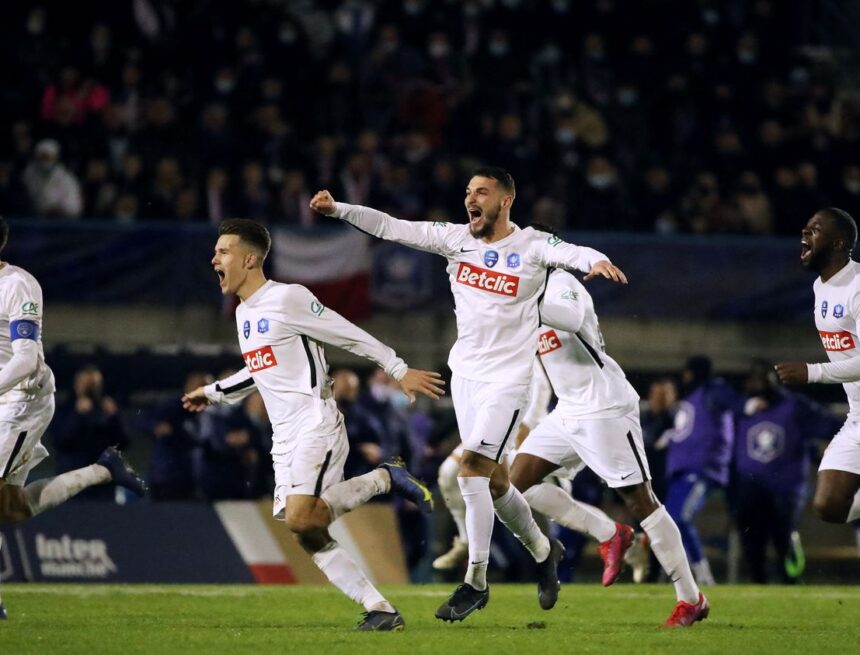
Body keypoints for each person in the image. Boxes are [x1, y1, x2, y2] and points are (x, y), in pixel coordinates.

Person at [310, 166, 627, 621]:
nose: (470, 199)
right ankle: (543, 552)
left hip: (510, 381)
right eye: (467, 192)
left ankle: (475, 581)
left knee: (470, 471)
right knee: (496, 482)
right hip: (467, 377)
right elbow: (392, 227)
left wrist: (594, 261)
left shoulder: (533, 244)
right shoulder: (453, 238)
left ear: (505, 200)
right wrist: (338, 208)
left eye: (481, 191)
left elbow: (572, 250)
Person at [181, 219, 444, 632]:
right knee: (303, 528)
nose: (214, 258)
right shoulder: (245, 313)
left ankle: (382, 480)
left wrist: (398, 367)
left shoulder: (288, 298)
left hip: (313, 422)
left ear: (250, 259)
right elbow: (258, 370)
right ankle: (380, 608)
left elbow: (346, 333)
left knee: (304, 518)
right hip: (283, 436)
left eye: (224, 251)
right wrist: (212, 392)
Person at [507, 267, 707, 627]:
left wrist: (525, 300)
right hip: (568, 410)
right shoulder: (526, 297)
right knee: (513, 485)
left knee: (641, 501)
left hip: (603, 407)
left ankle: (691, 599)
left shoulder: (561, 284)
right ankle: (611, 533)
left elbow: (568, 318)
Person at [0, 217, 145, 619]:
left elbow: (26, 358)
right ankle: (102, 470)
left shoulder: (18, 285)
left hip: (19, 401)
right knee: (10, 510)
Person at [775, 208, 860, 530]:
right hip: (857, 415)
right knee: (829, 506)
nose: (804, 232)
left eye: (815, 229)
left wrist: (813, 372)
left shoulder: (858, 286)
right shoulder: (820, 287)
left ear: (838, 243)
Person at [733, 360, 837, 583]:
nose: (758, 383)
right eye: (754, 378)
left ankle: (791, 579)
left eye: (764, 378)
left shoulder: (794, 405)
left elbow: (830, 424)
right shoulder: (742, 409)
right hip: (752, 485)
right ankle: (758, 580)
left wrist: (838, 447)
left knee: (782, 535)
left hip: (786, 487)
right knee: (752, 537)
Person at [660, 355, 741, 585]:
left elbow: (735, 403)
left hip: (700, 468)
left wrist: (749, 405)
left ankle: (703, 575)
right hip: (680, 471)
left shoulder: (713, 391)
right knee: (669, 524)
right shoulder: (691, 399)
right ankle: (677, 576)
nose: (685, 378)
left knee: (680, 518)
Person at [52, 364, 130, 501]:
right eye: (87, 384)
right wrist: (77, 415)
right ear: (77, 385)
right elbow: (60, 440)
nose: (91, 389)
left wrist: (114, 417)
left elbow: (124, 442)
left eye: (94, 385)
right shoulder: (64, 409)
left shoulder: (107, 410)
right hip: (72, 478)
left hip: (103, 480)